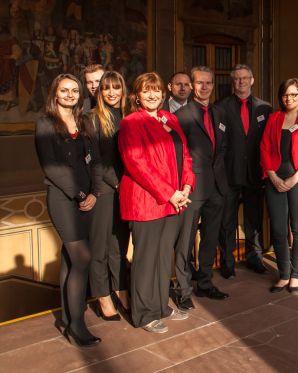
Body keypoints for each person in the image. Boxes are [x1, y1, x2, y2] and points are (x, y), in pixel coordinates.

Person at [119, 72, 193, 333]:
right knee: (146, 258)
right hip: (145, 200)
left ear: (164, 94)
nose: (152, 95)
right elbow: (137, 165)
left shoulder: (169, 118)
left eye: (157, 90)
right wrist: (169, 193)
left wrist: (186, 185)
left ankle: (160, 305)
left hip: (172, 199)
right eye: (146, 91)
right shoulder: (131, 123)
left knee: (163, 257)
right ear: (137, 96)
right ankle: (144, 314)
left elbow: (184, 153)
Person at [35, 74, 99, 346]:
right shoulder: (45, 123)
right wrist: (80, 194)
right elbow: (51, 167)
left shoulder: (84, 121)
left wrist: (95, 192)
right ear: (55, 93)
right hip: (63, 200)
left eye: (75, 90)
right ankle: (76, 325)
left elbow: (94, 160)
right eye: (65, 90)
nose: (71, 94)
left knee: (69, 258)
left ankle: (65, 317)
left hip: (88, 199)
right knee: (82, 258)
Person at [175, 66, 231, 305]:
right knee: (185, 241)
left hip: (217, 186)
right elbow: (179, 154)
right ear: (192, 85)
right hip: (192, 187)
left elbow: (224, 147)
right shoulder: (183, 115)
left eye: (208, 83)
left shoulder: (220, 113)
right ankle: (184, 290)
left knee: (209, 238)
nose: (205, 87)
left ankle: (205, 284)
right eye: (200, 83)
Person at [260, 78, 298, 293]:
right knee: (277, 228)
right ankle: (284, 274)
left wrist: (294, 178)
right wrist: (273, 176)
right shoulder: (274, 118)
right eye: (286, 94)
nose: (290, 98)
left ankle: (295, 275)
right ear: (281, 96)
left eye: (294, 94)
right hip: (274, 178)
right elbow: (265, 147)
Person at [216, 64, 273, 275]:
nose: (241, 82)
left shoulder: (265, 108)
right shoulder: (221, 106)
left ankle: (254, 258)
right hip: (230, 174)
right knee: (227, 220)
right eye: (237, 79)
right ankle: (227, 262)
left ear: (252, 80)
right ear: (233, 82)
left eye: (244, 78)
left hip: (255, 173)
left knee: (254, 219)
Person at [87, 71, 130, 321]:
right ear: (100, 92)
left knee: (119, 245)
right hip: (104, 190)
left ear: (123, 90)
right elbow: (96, 161)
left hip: (125, 190)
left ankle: (121, 289)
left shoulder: (127, 117)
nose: (112, 93)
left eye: (116, 88)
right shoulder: (91, 119)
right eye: (106, 88)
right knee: (100, 248)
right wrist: (118, 183)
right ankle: (103, 297)